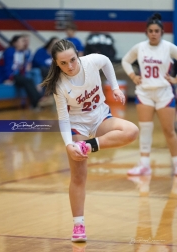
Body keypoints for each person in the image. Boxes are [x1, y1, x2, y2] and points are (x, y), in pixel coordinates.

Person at [42, 39, 139, 242]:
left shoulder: (91, 61)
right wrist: (69, 145)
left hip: (100, 118)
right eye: (63, 63)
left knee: (131, 131)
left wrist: (115, 87)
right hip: (78, 126)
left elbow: (106, 61)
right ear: (56, 64)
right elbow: (64, 118)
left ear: (78, 55)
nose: (70, 66)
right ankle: (78, 225)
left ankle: (89, 146)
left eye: (72, 60)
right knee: (78, 177)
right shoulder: (60, 85)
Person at [122, 13, 177, 176]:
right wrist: (133, 76)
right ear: (146, 32)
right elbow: (125, 61)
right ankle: (144, 165)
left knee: (169, 131)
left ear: (162, 32)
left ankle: (175, 164)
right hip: (144, 92)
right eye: (151, 31)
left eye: (156, 31)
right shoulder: (140, 47)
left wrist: (175, 80)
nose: (153, 33)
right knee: (145, 129)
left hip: (164, 93)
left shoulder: (168, 47)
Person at [0, 34, 42, 108]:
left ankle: (37, 100)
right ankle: (36, 102)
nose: (23, 43)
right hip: (9, 76)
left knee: (30, 79)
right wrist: (8, 78)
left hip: (18, 75)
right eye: (21, 41)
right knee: (27, 81)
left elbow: (22, 68)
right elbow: (7, 66)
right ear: (15, 43)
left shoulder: (22, 53)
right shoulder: (9, 51)